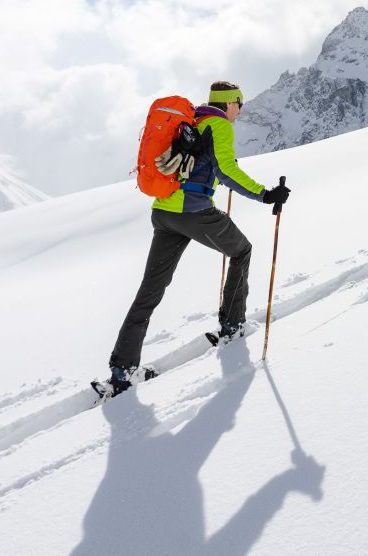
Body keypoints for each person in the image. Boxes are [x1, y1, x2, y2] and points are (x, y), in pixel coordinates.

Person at [101, 82, 291, 395]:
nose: (241, 110)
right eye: (239, 104)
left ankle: (122, 370)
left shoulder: (193, 121)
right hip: (194, 213)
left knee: (150, 290)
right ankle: (232, 326)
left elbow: (206, 167)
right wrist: (265, 194)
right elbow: (226, 170)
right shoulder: (219, 125)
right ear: (229, 103)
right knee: (242, 251)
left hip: (164, 213)